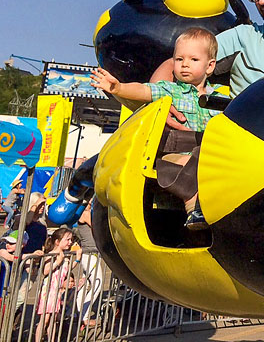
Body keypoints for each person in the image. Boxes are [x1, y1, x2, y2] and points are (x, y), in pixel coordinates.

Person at [92, 27, 227, 229]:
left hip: (205, 155)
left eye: (193, 60)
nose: (185, 65)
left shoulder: (218, 100)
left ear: (210, 66)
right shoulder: (169, 90)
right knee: (189, 163)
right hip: (174, 154)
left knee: (214, 164)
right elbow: (144, 89)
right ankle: (194, 208)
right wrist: (118, 88)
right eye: (179, 59)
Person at [34, 228, 81, 342]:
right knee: (45, 318)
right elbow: (45, 271)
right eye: (68, 240)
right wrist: (57, 262)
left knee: (54, 319)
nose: (70, 242)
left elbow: (68, 269)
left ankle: (52, 339)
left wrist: (77, 260)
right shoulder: (52, 254)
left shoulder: (65, 255)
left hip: (57, 291)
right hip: (49, 290)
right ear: (57, 242)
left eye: (71, 240)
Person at [73, 201, 101, 329]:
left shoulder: (84, 213)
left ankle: (77, 313)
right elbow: (96, 228)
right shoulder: (85, 214)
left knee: (86, 285)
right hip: (90, 254)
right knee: (97, 285)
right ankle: (84, 316)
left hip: (89, 254)